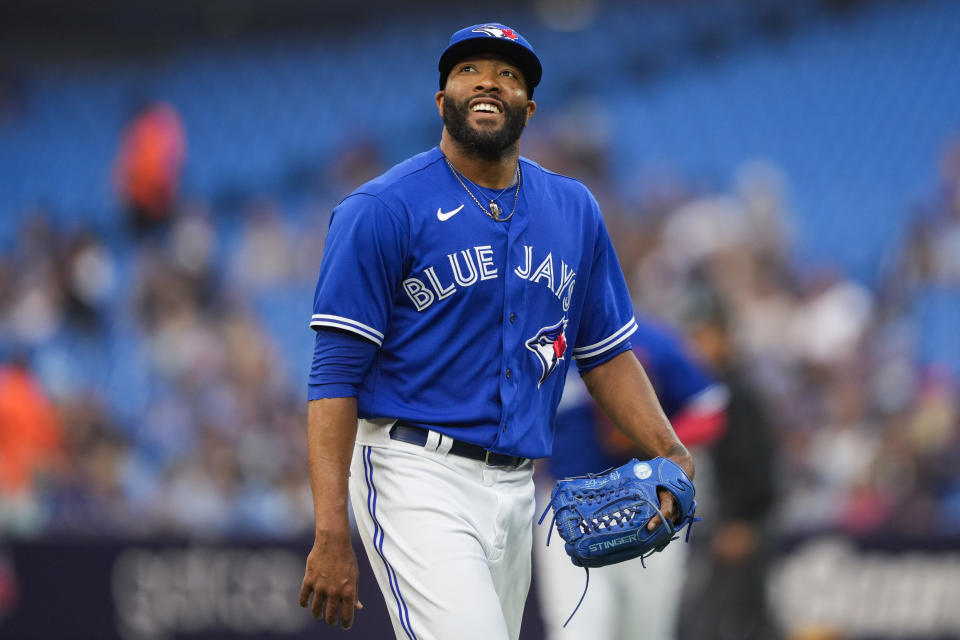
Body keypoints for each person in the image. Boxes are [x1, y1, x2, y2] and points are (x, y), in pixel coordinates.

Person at [298, 23, 694, 640]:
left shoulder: (573, 210)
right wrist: (329, 530)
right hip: (413, 471)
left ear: (528, 108)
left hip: (518, 491)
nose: (489, 81)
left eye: (509, 75)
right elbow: (333, 377)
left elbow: (607, 355)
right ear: (442, 100)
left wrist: (670, 450)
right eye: (469, 71)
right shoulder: (381, 209)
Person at [534, 314, 727, 640]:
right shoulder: (541, 342)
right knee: (576, 631)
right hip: (569, 507)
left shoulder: (647, 338)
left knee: (646, 632)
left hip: (648, 503)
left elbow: (712, 408)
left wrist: (659, 441)